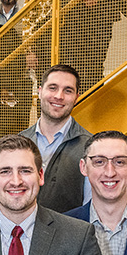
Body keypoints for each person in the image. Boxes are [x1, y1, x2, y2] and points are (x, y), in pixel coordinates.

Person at [19, 65, 92, 213]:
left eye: (68, 90)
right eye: (52, 88)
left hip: (68, 234)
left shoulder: (90, 147)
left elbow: (91, 209)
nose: (59, 96)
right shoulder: (19, 142)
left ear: (77, 97)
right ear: (40, 92)